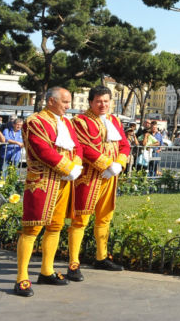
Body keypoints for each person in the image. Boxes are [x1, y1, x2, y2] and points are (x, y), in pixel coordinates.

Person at [14, 87, 83, 297]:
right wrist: (67, 167)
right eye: (65, 101)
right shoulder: (35, 121)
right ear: (51, 101)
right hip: (43, 181)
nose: (68, 106)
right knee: (31, 229)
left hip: (64, 181)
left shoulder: (67, 122)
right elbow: (41, 149)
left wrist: (77, 164)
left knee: (55, 226)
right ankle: (21, 278)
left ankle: (47, 270)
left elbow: (77, 146)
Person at [68, 86, 130, 280]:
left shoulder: (114, 120)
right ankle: (73, 263)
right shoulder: (80, 121)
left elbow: (124, 145)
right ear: (90, 102)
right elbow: (84, 148)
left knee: (105, 217)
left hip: (111, 176)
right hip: (88, 177)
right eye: (98, 101)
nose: (103, 105)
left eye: (106, 101)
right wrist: (105, 164)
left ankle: (101, 256)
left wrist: (119, 163)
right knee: (81, 219)